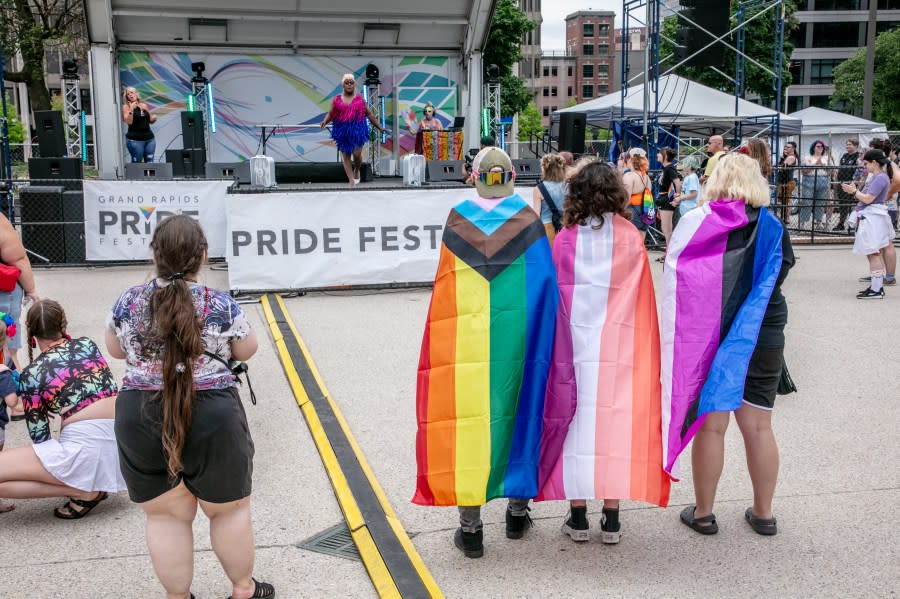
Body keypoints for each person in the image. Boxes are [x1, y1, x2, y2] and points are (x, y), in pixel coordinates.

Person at [106, 215, 272, 599]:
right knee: (228, 510)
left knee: (165, 516)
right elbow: (247, 348)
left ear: (155, 255)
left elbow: (115, 348)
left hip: (140, 412)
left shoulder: (128, 299)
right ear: (202, 255)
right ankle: (243, 590)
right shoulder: (221, 304)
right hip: (212, 412)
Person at [413, 147, 560, 559]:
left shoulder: (459, 218)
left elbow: (444, 284)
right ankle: (516, 514)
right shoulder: (527, 220)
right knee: (520, 410)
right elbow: (545, 283)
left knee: (469, 423)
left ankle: (471, 529)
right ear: (512, 176)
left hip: (468, 340)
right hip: (519, 340)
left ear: (474, 176)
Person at [538, 161, 671, 544]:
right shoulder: (630, 235)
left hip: (576, 348)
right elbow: (640, 296)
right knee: (614, 424)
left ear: (575, 193)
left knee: (576, 424)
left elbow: (557, 295)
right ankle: (611, 517)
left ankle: (577, 514)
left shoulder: (566, 237)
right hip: (619, 347)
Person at [662, 153, 794, 537]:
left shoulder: (697, 223)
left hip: (712, 336)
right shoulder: (772, 226)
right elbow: (779, 275)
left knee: (712, 428)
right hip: (763, 331)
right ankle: (764, 513)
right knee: (758, 427)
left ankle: (703, 513)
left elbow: (679, 277)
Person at [0, 300, 125, 518]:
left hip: (85, 451)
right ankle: (88, 485)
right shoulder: (87, 345)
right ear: (63, 325)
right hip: (122, 449)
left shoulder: (33, 373)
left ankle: (82, 490)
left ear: (32, 334)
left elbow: (40, 437)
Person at [841, 149, 896, 298]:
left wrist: (853, 191)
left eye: (866, 163)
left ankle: (877, 289)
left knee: (873, 253)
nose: (865, 166)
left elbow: (868, 199)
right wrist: (854, 191)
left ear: (875, 163)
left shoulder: (880, 178)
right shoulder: (879, 177)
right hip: (872, 217)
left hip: (873, 218)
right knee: (872, 252)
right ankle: (876, 286)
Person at [1, 211, 39, 420]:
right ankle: (16, 404)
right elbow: (17, 257)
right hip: (3, 291)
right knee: (7, 350)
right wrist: (31, 289)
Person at [320, 73, 387, 187]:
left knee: (356, 155)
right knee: (346, 156)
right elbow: (331, 113)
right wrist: (324, 121)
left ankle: (356, 169)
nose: (349, 85)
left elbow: (369, 114)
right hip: (342, 131)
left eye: (351, 82)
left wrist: (380, 127)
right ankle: (351, 180)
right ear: (343, 85)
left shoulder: (359, 100)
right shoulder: (337, 100)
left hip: (357, 131)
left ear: (354, 84)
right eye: (347, 83)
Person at [532, 153, 567, 244]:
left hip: (546, 228)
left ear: (544, 169)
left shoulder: (539, 189)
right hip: (565, 227)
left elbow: (536, 215)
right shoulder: (568, 186)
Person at [799, 140, 832, 230]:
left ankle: (819, 222)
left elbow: (830, 171)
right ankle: (802, 223)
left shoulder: (827, 158)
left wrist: (823, 166)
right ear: (813, 147)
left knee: (820, 203)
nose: (820, 148)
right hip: (809, 180)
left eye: (822, 146)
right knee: (807, 202)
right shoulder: (807, 157)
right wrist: (815, 165)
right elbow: (803, 171)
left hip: (823, 180)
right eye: (818, 146)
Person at [656, 147, 682, 259]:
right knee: (665, 228)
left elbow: (677, 183)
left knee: (667, 229)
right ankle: (669, 252)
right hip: (663, 198)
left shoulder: (670, 169)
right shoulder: (666, 168)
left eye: (660, 153)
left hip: (667, 199)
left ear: (665, 156)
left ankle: (670, 254)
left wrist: (677, 196)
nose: (657, 154)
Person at [122, 87, 157, 163]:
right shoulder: (126, 107)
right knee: (137, 163)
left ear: (136, 94)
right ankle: (135, 175)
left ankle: (149, 175)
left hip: (149, 139)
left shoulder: (144, 105)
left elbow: (150, 120)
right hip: (135, 140)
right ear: (126, 97)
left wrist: (154, 118)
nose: (130, 95)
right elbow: (129, 122)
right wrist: (131, 109)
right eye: (128, 94)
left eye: (132, 92)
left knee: (150, 162)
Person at [622, 154, 652, 238]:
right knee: (641, 240)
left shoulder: (629, 176)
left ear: (631, 161)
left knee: (630, 239)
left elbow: (626, 198)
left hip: (633, 209)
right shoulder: (647, 177)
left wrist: (620, 211)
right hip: (646, 209)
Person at [834, 139, 862, 231]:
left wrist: (855, 183)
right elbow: (840, 167)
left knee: (852, 205)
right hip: (842, 183)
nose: (847, 146)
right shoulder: (845, 156)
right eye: (847, 145)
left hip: (851, 184)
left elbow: (860, 171)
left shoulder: (858, 156)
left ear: (855, 146)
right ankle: (841, 223)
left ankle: (852, 225)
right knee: (842, 204)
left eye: (849, 145)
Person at [776, 142, 800, 222]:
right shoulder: (786, 157)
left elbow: (782, 168)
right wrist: (782, 158)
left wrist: (782, 160)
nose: (786, 148)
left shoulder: (791, 157)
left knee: (787, 200)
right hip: (783, 181)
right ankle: (785, 217)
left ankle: (786, 218)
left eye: (789, 147)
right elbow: (780, 166)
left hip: (787, 182)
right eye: (785, 146)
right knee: (784, 200)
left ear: (793, 149)